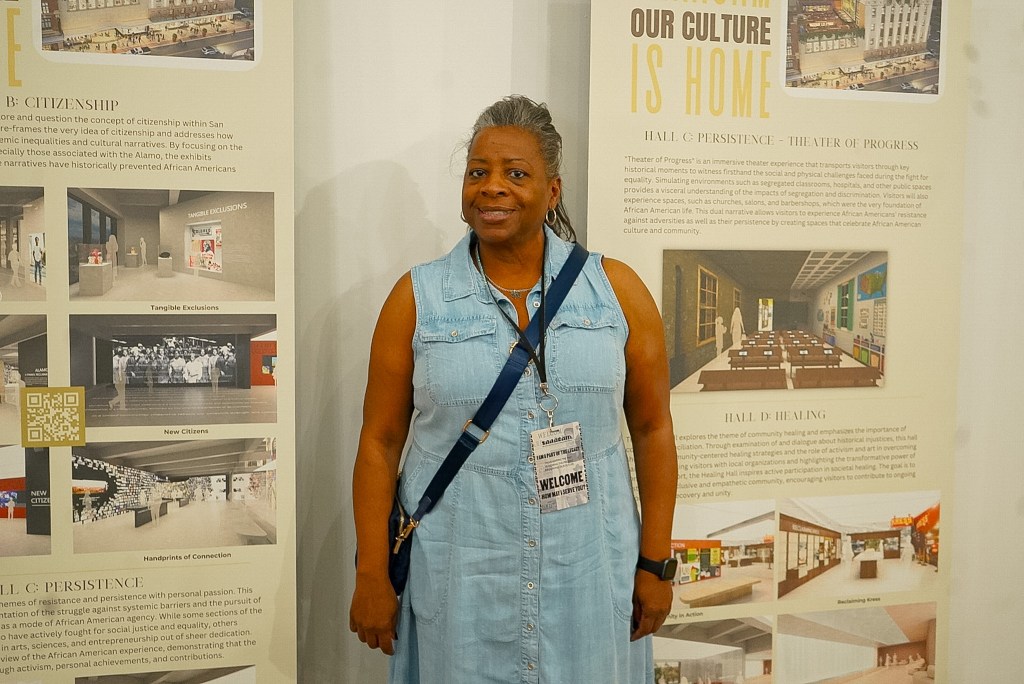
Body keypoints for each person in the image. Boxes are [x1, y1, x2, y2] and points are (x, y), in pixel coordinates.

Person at [349, 95, 677, 683]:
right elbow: (379, 440)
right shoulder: (415, 300)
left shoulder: (618, 292)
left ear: (552, 191)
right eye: (478, 172)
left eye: (515, 174)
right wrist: (371, 574)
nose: (491, 187)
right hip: (458, 577)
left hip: (588, 573)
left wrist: (656, 562)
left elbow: (653, 430)